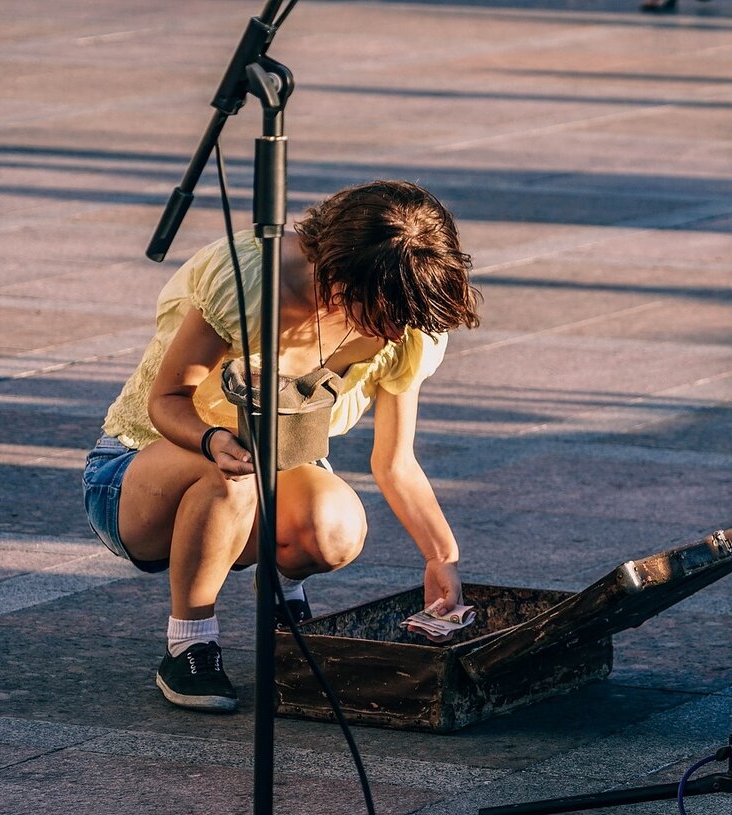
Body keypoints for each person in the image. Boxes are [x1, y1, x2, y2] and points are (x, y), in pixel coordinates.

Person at [82, 180, 479, 713]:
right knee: (232, 473)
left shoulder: (407, 318)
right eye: (383, 313)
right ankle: (190, 644)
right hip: (139, 475)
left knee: (333, 529)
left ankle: (281, 593)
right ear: (338, 275)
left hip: (269, 479)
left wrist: (441, 557)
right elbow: (167, 400)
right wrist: (211, 438)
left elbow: (395, 460)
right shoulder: (254, 280)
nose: (395, 331)